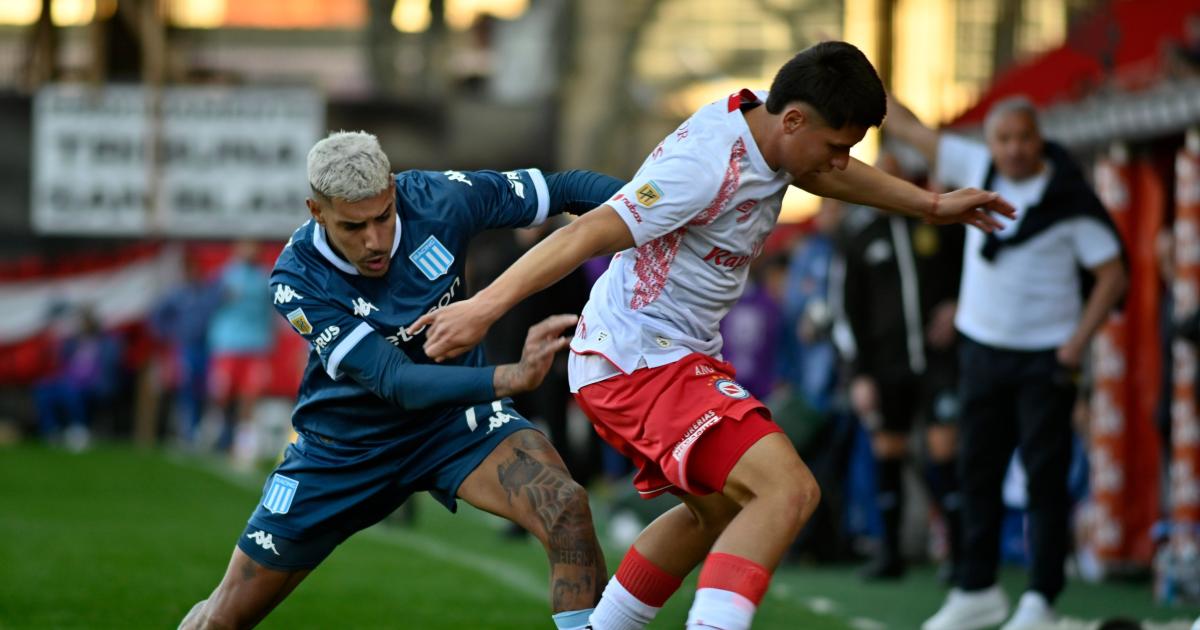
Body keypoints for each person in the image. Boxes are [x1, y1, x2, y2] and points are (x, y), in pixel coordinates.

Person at [415, 41, 1014, 630]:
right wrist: (482, 308)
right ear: (796, 119)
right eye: (836, 147)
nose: (840, 161)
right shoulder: (703, 166)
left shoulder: (771, 128)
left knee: (718, 511)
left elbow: (825, 174)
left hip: (668, 356)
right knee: (788, 490)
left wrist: (931, 205)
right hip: (637, 358)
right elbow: (585, 234)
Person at [179, 131, 622, 630]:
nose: (374, 240)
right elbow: (396, 381)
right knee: (222, 619)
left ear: (393, 189)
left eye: (383, 217)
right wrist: (509, 377)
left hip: (455, 424)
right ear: (316, 211)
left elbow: (565, 187)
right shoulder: (297, 278)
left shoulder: (441, 198)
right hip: (344, 450)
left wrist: (664, 206)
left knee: (565, 507)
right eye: (353, 226)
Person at [886, 95, 1128, 630]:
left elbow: (1113, 273)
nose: (1014, 149)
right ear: (991, 143)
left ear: (1039, 139)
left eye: (1024, 137)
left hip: (1046, 357)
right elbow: (911, 129)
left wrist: (1077, 343)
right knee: (977, 472)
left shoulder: (1069, 198)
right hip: (982, 350)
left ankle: (1041, 597)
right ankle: (977, 589)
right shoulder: (976, 167)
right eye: (1004, 139)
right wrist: (868, 84)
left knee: (1044, 480)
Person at [836, 150, 965, 581]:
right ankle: (891, 553)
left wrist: (957, 308)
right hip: (885, 366)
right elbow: (847, 313)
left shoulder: (937, 226)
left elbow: (972, 277)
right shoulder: (859, 236)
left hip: (938, 361)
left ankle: (960, 554)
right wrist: (858, 375)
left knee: (944, 448)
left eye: (898, 174)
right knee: (888, 450)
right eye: (882, 175)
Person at [204, 240, 275, 465]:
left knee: (249, 395)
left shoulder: (266, 278)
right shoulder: (225, 275)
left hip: (255, 345)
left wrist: (270, 338)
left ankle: (243, 444)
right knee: (221, 393)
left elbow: (273, 310)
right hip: (227, 344)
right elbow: (209, 304)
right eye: (246, 246)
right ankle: (214, 431)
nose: (250, 251)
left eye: (253, 247)